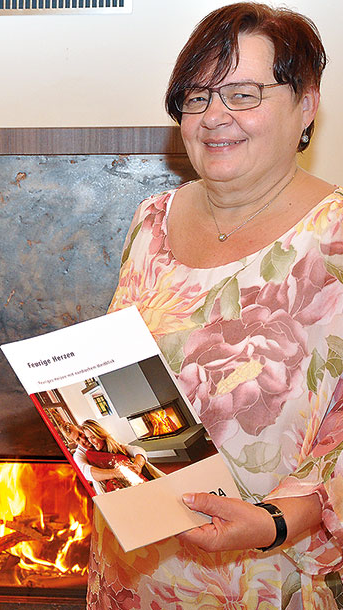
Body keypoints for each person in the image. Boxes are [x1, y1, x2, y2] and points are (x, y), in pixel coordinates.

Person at [89, 3, 343, 608]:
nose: (214, 117)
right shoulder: (153, 220)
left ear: (305, 104)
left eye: (244, 94)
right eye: (197, 97)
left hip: (267, 575)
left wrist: (278, 522)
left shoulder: (335, 237)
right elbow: (127, 379)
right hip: (130, 574)